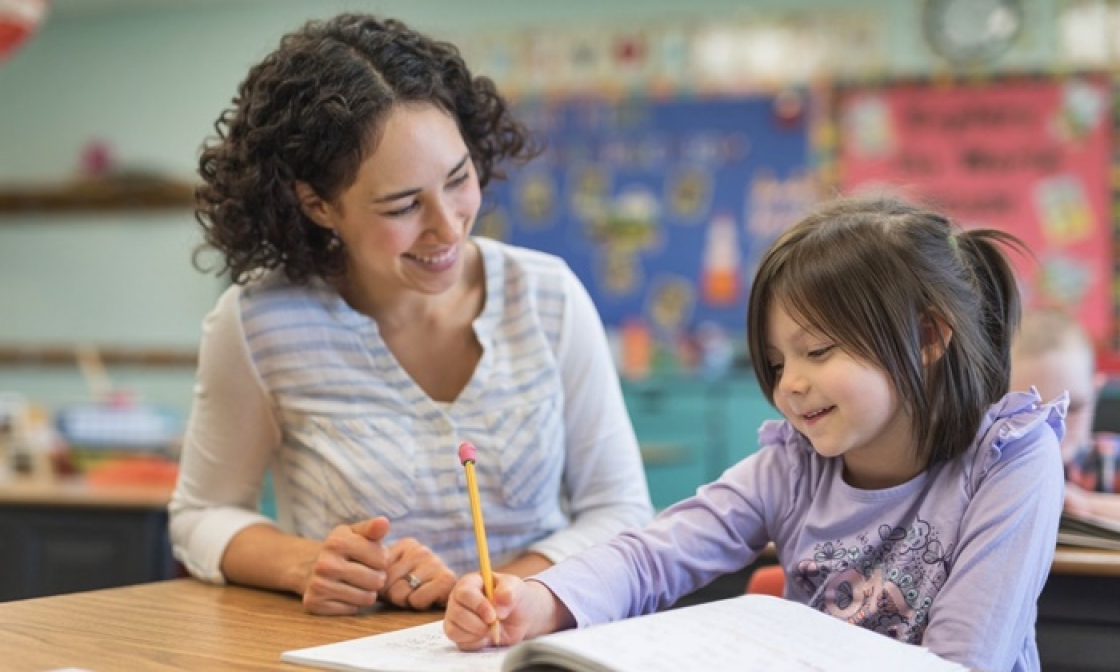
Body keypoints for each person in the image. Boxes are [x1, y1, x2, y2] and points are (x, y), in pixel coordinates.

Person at [445, 197, 1066, 672]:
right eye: (775, 364)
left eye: (817, 351)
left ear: (928, 337)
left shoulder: (1010, 458)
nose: (789, 386)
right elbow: (654, 554)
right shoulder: (794, 465)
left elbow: (963, 658)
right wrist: (539, 599)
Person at [168, 12, 653, 616]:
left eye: (458, 179)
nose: (447, 226)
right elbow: (201, 515)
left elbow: (622, 511)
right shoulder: (259, 324)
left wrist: (499, 587)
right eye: (402, 206)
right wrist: (304, 562)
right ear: (318, 206)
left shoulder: (547, 297)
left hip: (531, 645)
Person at [1010, 306, 1120, 520]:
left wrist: (1086, 505)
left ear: (1095, 393)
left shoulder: (1110, 457)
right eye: (1034, 410)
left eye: (1073, 408)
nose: (1057, 425)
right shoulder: (992, 468)